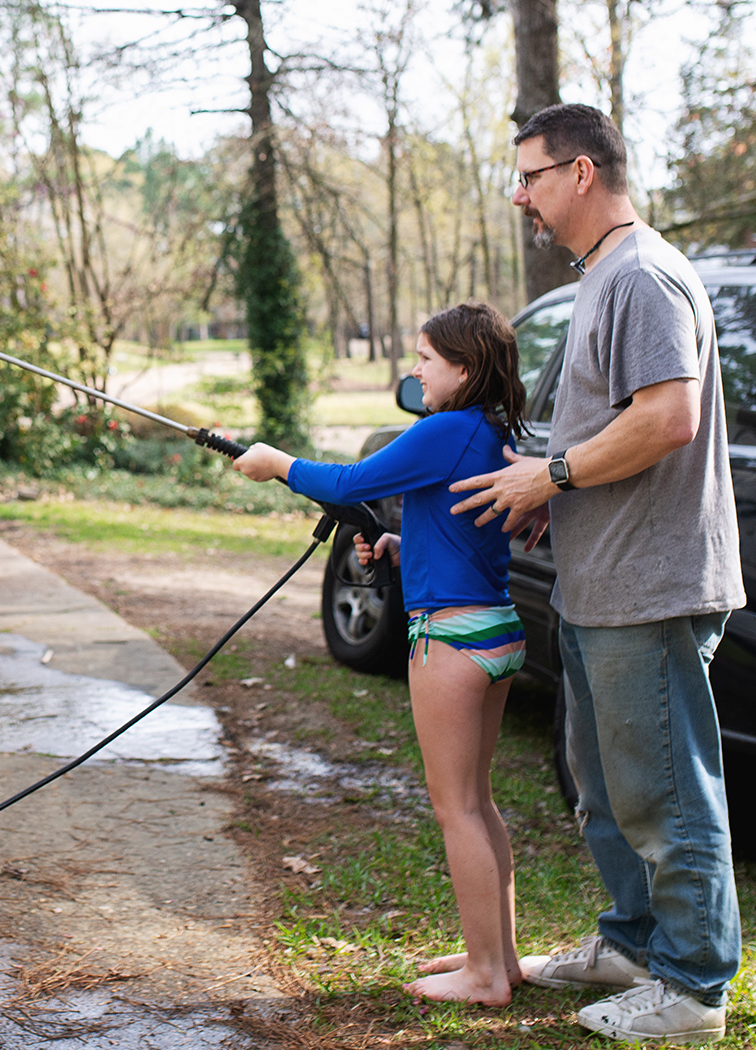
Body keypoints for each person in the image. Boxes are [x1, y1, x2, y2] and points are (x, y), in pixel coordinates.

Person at [449, 102, 744, 1045]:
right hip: (598, 583)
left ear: (582, 173)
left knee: (663, 791)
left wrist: (556, 472)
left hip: (649, 589)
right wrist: (548, 488)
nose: (520, 194)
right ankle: (633, 944)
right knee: (607, 788)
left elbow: (668, 418)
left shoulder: (645, 276)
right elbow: (610, 421)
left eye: (530, 176)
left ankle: (693, 991)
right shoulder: (604, 277)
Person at [234, 301, 531, 1006]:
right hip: (494, 628)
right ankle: (500, 957)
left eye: (425, 359)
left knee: (454, 805)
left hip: (451, 641)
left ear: (463, 368)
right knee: (478, 801)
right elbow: (460, 528)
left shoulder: (445, 428)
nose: (415, 371)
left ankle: (485, 976)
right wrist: (404, 545)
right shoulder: (486, 430)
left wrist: (276, 462)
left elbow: (346, 484)